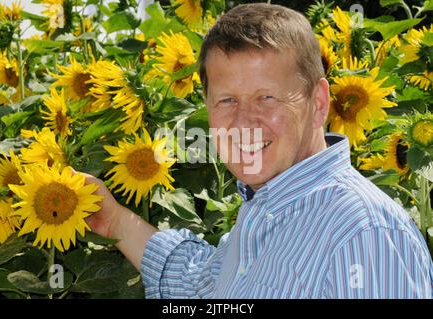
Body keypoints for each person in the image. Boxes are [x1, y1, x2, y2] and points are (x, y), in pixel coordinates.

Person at [82, 3, 433, 298]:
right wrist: (116, 222)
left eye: (267, 98)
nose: (243, 121)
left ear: (319, 102)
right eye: (227, 100)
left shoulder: (364, 234)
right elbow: (205, 287)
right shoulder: (268, 209)